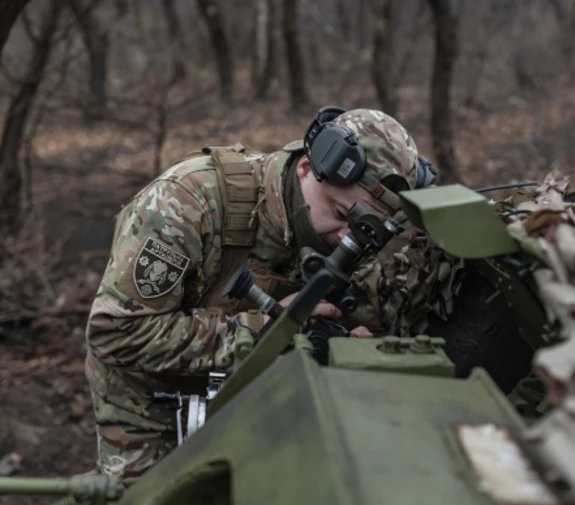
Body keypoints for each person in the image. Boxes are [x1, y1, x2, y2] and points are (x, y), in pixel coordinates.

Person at [83, 106, 435, 485]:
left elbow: (370, 320)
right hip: (153, 405)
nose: (345, 239)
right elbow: (115, 331)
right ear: (305, 168)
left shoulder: (345, 234)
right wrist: (263, 333)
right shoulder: (188, 202)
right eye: (340, 213)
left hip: (262, 395)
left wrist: (349, 342)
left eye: (367, 230)